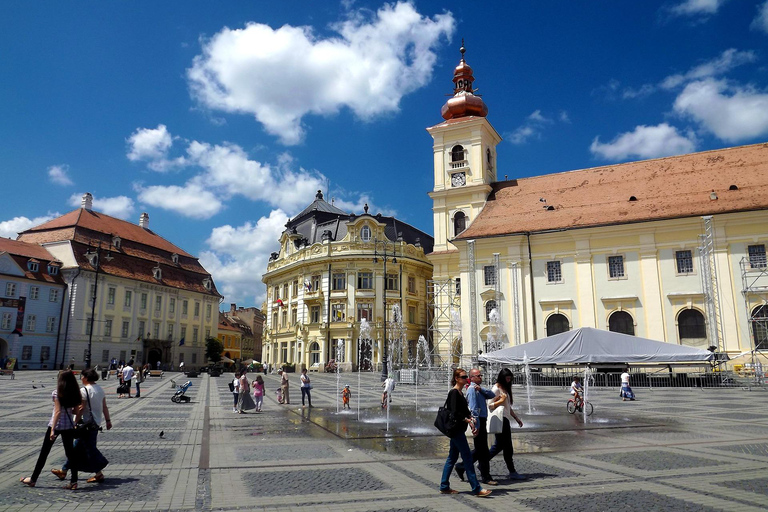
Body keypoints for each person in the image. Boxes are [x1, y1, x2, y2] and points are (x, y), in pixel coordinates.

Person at [20, 370, 82, 489]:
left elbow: (57, 412)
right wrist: (73, 421)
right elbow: (77, 411)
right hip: (68, 427)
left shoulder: (57, 393)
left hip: (56, 425)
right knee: (70, 455)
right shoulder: (75, 393)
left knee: (44, 453)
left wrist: (53, 430)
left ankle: (33, 479)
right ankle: (74, 482)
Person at [52, 368, 112, 484]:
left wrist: (74, 423)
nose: (81, 378)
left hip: (85, 425)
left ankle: (98, 473)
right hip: (95, 424)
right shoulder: (100, 389)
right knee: (77, 449)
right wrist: (108, 420)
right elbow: (104, 406)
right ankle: (63, 470)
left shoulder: (84, 390)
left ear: (86, 377)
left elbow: (81, 409)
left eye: (82, 376)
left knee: (88, 450)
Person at [439, 368, 492, 498]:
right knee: (468, 458)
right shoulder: (454, 393)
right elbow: (454, 413)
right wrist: (466, 419)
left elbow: (464, 410)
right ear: (457, 379)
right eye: (463, 377)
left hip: (459, 429)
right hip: (456, 430)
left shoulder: (460, 393)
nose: (465, 379)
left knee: (452, 458)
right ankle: (476, 488)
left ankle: (444, 486)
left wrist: (471, 418)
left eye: (465, 377)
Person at [456, 368, 498, 485]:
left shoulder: (478, 389)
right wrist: (477, 425)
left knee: (481, 450)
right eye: (478, 375)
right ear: (472, 378)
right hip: (478, 421)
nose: (481, 377)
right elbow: (473, 409)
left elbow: (492, 394)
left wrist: (482, 389)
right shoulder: (472, 390)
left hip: (482, 420)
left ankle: (461, 466)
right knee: (483, 451)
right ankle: (486, 477)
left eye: (481, 375)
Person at [487, 368, 526, 480]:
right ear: (502, 378)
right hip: (500, 419)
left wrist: (516, 418)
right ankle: (512, 471)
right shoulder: (495, 389)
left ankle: (482, 463)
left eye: (510, 379)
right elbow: (489, 405)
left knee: (500, 446)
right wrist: (500, 400)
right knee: (507, 447)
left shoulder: (504, 388)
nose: (509, 381)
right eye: (507, 378)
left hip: (505, 419)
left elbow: (508, 406)